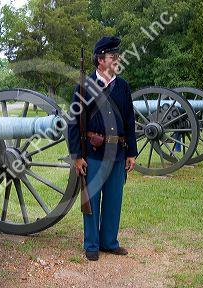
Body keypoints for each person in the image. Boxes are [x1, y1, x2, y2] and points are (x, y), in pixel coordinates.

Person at [68, 36, 137, 261]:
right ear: (100, 60)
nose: (116, 59)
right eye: (112, 56)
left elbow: (129, 120)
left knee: (113, 200)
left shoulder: (123, 86)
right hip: (93, 154)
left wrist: (131, 152)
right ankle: (91, 244)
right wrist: (77, 156)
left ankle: (109, 242)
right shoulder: (83, 87)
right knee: (92, 199)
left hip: (117, 153)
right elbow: (73, 123)